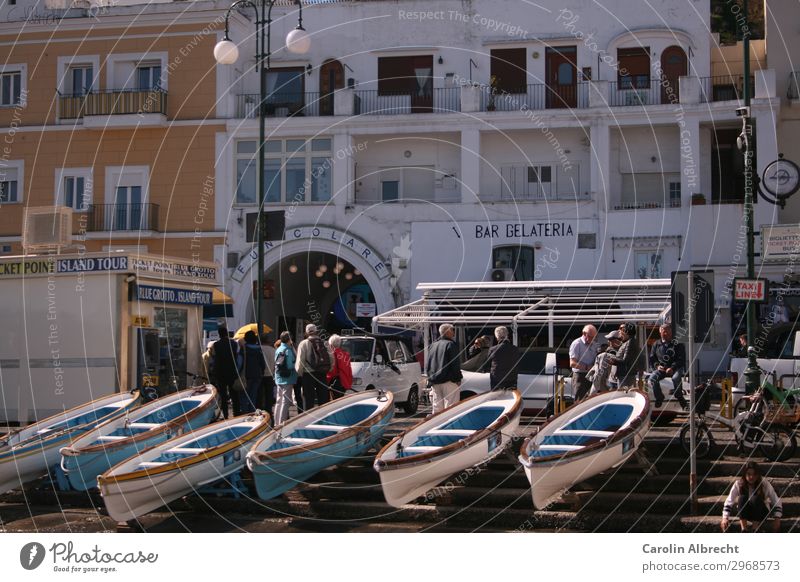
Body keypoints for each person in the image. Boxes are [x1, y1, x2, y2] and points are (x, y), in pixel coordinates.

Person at [721, 461, 783, 533]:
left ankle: (755, 529)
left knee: (755, 498)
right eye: (748, 474)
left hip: (761, 513)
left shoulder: (764, 483)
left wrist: (777, 518)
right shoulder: (739, 484)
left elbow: (776, 500)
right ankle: (744, 528)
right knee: (742, 498)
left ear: (758, 475)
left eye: (754, 474)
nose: (751, 477)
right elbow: (729, 501)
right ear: (744, 474)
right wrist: (725, 518)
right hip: (746, 514)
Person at [425, 323, 462, 413]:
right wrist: (458, 378)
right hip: (449, 381)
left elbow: (428, 364)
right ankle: (450, 426)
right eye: (452, 330)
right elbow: (455, 363)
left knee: (437, 408)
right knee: (451, 408)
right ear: (448, 332)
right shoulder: (451, 344)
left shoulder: (433, 345)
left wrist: (430, 379)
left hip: (435, 381)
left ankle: (437, 426)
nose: (454, 333)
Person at [648, 324, 686, 408]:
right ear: (660, 332)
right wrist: (657, 366)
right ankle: (659, 397)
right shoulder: (656, 344)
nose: (666, 333)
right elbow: (652, 358)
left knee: (675, 378)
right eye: (664, 331)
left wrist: (672, 368)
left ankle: (679, 396)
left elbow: (681, 359)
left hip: (675, 368)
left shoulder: (678, 343)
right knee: (652, 379)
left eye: (668, 331)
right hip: (662, 368)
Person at [295, 323, 332, 410]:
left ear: (307, 332)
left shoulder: (303, 343)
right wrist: (328, 369)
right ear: (316, 331)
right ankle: (323, 417)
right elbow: (331, 358)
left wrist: (299, 374)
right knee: (323, 398)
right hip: (322, 373)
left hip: (308, 374)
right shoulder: (325, 343)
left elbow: (300, 361)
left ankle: (308, 419)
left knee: (308, 399)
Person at [211, 326, 240, 418]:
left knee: (223, 395)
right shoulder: (234, 343)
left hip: (220, 372)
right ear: (227, 333)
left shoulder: (216, 345)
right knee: (234, 393)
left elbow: (215, 358)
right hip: (232, 371)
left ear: (219, 334)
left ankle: (226, 414)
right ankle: (236, 413)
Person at [612, 323, 647, 389]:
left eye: (622, 330)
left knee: (624, 395)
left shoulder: (630, 343)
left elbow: (626, 360)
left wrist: (613, 361)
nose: (620, 332)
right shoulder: (628, 342)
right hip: (625, 374)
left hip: (626, 375)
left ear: (626, 332)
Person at [273, 331, 298, 425]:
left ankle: (276, 422)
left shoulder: (278, 349)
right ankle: (281, 422)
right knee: (285, 401)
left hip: (278, 377)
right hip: (288, 378)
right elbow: (290, 366)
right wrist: (296, 364)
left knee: (278, 401)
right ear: (289, 340)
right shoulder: (288, 350)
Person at [482, 326, 518, 390]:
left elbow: (486, 364)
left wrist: (484, 369)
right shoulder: (515, 349)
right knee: (511, 399)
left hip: (497, 380)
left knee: (497, 399)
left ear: (497, 337)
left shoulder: (493, 349)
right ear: (507, 335)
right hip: (512, 379)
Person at [569, 325, 599, 401]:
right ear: (584, 333)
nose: (592, 339)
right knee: (580, 400)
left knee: (592, 400)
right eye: (590, 336)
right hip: (580, 376)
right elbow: (572, 363)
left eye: (594, 337)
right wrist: (587, 367)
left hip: (592, 375)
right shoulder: (577, 343)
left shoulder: (594, 345)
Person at [240, 330, 266, 414]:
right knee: (253, 396)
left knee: (244, 396)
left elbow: (239, 362)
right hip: (257, 375)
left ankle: (244, 414)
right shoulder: (259, 349)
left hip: (246, 375)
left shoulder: (243, 348)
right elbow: (263, 363)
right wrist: (261, 372)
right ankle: (252, 412)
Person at [327, 334, 353, 399]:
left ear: (331, 345)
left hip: (336, 382)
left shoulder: (332, 354)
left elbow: (333, 371)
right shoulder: (346, 355)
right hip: (344, 383)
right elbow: (349, 370)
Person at [260, 334, 276, 413]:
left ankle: (260, 411)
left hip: (260, 375)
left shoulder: (260, 349)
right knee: (269, 395)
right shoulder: (273, 350)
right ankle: (269, 411)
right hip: (270, 375)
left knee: (260, 395)